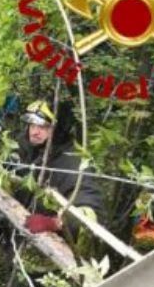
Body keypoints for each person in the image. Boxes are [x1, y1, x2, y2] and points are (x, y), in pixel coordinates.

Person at [16, 100, 103, 252]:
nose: (34, 132)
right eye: (32, 124)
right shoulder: (27, 145)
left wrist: (55, 223)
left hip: (52, 249)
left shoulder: (72, 162)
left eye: (43, 127)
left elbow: (91, 212)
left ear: (59, 130)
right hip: (19, 231)